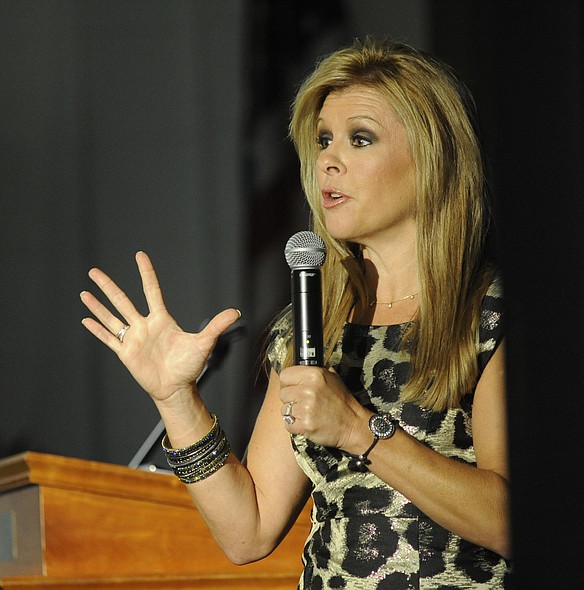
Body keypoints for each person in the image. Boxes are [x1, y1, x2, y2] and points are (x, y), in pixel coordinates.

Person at [80, 38, 510, 588]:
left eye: (360, 138)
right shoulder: (312, 327)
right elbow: (247, 533)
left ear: (432, 160)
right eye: (323, 139)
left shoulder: (492, 312)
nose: (328, 159)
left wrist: (360, 431)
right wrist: (176, 399)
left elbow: (511, 520)